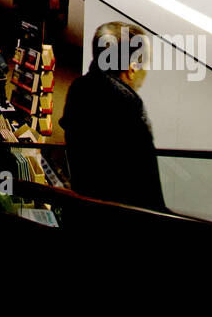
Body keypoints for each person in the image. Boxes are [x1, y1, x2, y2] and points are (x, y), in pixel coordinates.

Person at [58, 20, 166, 212]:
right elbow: (147, 183)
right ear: (132, 70)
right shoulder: (131, 106)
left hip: (81, 206)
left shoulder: (79, 87)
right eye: (145, 65)